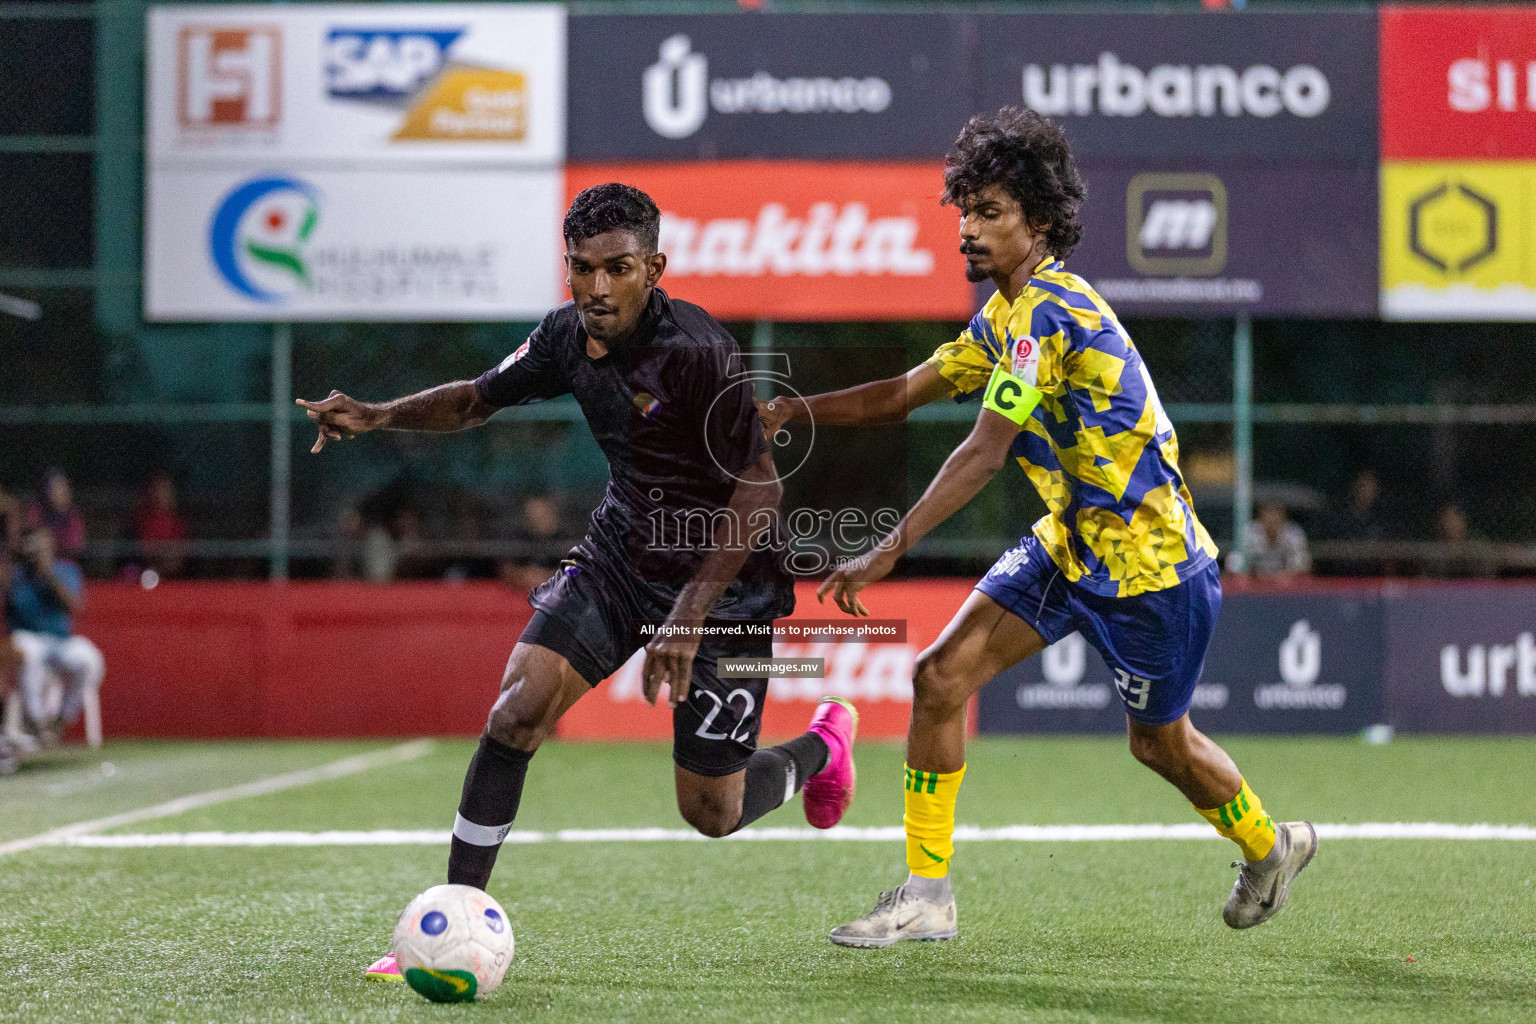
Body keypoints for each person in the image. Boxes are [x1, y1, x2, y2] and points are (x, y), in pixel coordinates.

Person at [759, 107, 1315, 947]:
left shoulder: (1048, 315)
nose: (969, 233)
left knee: (1161, 747)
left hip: (1153, 570)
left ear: (1041, 223)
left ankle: (1271, 847)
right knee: (939, 679)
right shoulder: (1004, 317)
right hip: (1073, 540)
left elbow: (983, 454)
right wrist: (789, 411)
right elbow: (905, 392)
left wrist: (888, 548)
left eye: (990, 213)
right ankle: (927, 896)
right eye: (964, 213)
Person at [296, 183, 859, 980]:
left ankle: (822, 747)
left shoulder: (702, 353)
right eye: (582, 268)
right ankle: (452, 917)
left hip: (726, 591)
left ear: (654, 268)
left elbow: (762, 490)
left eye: (617, 269)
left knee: (712, 811)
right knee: (516, 711)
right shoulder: (565, 336)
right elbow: (474, 400)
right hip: (622, 557)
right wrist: (380, 415)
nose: (596, 287)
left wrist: (691, 615)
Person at [5, 527, 105, 747]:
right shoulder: (17, 573)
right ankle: (37, 719)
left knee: (89, 660)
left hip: (61, 641)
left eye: (42, 547)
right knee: (28, 652)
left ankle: (61, 719)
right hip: (27, 637)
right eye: (33, 547)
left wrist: (47, 574)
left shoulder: (65, 570)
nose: (37, 552)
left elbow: (73, 605)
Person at [132, 470, 189, 579]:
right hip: (146, 571)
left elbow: (180, 554)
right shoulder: (142, 519)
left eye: (165, 490)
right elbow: (144, 551)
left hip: (174, 575)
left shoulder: (178, 523)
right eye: (157, 490)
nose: (161, 494)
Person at [1231, 501, 1311, 578]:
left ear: (1284, 516)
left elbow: (1303, 564)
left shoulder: (1294, 534)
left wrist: (1287, 575)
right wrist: (1251, 576)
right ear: (1260, 516)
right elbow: (1235, 564)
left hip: (1286, 585)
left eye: (1276, 513)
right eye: (1268, 513)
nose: (1272, 518)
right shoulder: (1249, 533)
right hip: (1254, 583)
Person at [25, 468, 86, 565]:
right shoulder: (37, 509)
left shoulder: (73, 515)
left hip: (64, 564)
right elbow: (27, 538)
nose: (58, 490)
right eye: (52, 486)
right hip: (35, 564)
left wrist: (52, 540)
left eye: (61, 486)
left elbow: (76, 544)